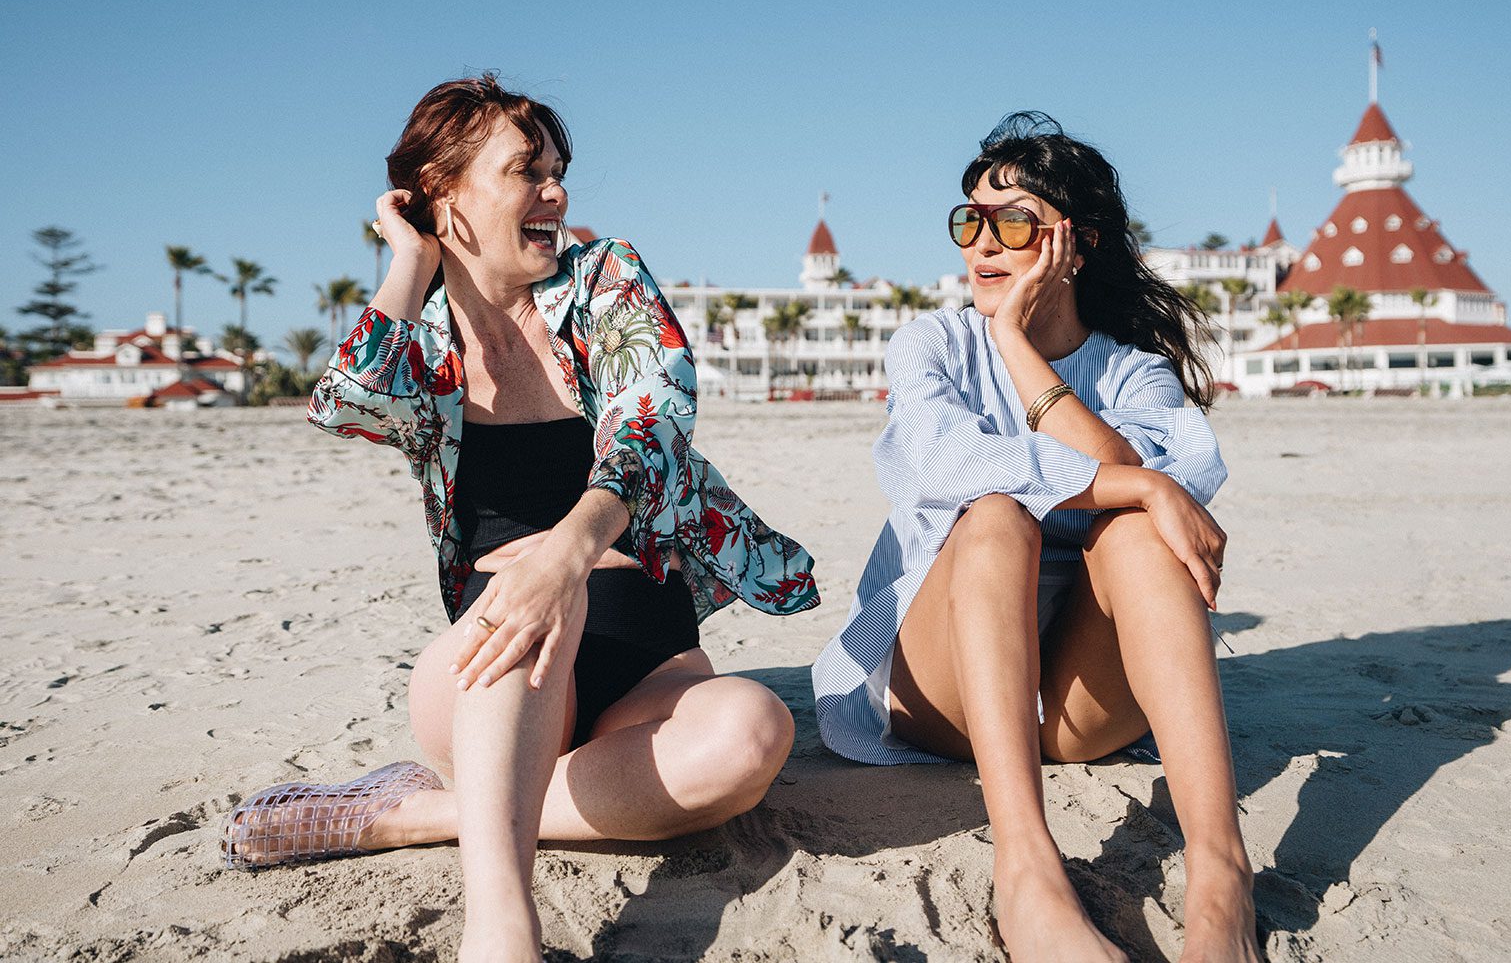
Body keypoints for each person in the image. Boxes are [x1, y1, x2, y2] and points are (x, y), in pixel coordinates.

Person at [221, 74, 819, 963]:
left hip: (648, 663)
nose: (556, 192)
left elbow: (653, 423)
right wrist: (408, 261)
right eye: (525, 171)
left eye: (558, 170)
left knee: (752, 734)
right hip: (490, 673)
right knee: (535, 595)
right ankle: (502, 927)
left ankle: (418, 814)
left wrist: (567, 556)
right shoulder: (422, 338)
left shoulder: (605, 278)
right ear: (443, 193)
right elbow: (347, 404)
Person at [811, 112, 1262, 963]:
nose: (982, 243)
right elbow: (945, 459)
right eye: (969, 219)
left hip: (1079, 710)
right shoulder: (931, 343)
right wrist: (1138, 481)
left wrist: (1019, 347)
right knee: (993, 513)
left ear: (1074, 245)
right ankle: (1025, 867)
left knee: (1136, 538)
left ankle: (1219, 869)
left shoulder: (1132, 369)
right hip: (947, 698)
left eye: (1012, 222)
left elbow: (1176, 497)